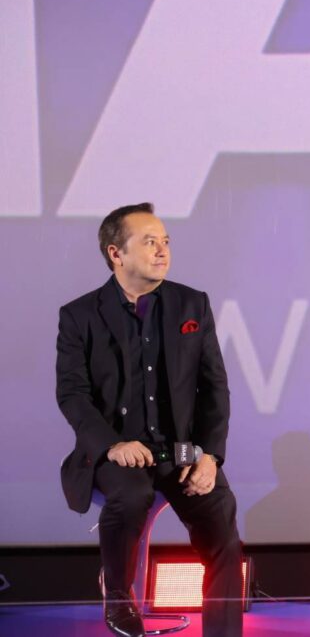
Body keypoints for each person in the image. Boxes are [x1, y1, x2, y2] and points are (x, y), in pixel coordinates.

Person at [56, 203, 242, 637]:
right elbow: (73, 394)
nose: (162, 251)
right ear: (116, 253)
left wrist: (211, 456)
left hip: (182, 452)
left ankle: (224, 633)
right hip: (118, 453)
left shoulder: (192, 304)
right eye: (149, 242)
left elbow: (214, 387)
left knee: (223, 527)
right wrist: (112, 445)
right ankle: (119, 601)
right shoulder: (80, 315)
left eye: (166, 241)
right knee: (130, 495)